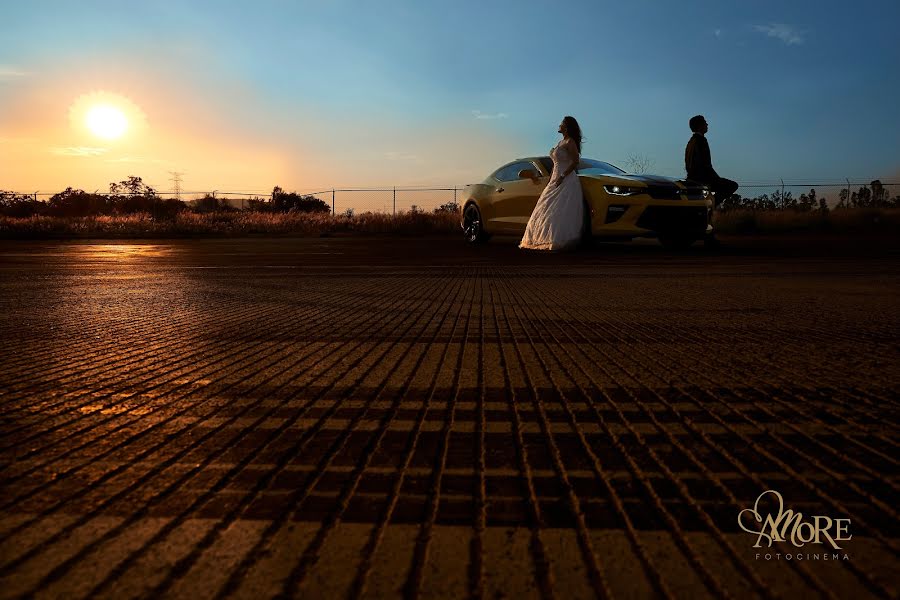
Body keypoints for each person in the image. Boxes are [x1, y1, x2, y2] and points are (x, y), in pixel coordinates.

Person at [520, 116, 585, 251]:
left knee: (561, 210)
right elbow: (556, 165)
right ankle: (543, 239)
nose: (559, 125)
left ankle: (559, 239)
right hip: (555, 178)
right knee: (546, 208)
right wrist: (550, 180)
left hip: (566, 180)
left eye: (561, 123)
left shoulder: (570, 142)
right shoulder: (561, 142)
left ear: (566, 126)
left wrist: (562, 176)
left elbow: (575, 162)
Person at [685, 115, 738, 206]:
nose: (707, 124)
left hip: (691, 177)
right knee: (732, 186)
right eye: (705, 122)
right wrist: (715, 178)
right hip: (702, 178)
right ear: (700, 125)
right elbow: (706, 164)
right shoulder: (701, 140)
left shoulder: (690, 142)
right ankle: (711, 204)